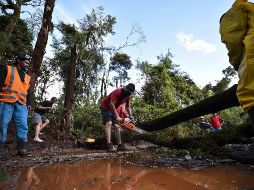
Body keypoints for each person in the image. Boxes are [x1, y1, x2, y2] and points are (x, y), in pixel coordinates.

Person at [220, 0, 254, 162]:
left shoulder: (233, 12)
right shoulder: (250, 9)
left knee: (248, 92)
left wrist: (236, 61)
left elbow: (232, 39)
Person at [0, 56, 31, 156]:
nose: (27, 64)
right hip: (6, 101)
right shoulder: (7, 69)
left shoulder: (27, 76)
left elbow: (28, 91)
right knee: (2, 124)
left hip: (21, 104)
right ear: (18, 61)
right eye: (25, 62)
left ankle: (21, 149)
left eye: (28, 62)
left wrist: (29, 103)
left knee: (23, 125)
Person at [100, 83, 135, 151]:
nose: (128, 94)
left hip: (112, 109)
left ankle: (119, 145)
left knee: (117, 126)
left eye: (130, 93)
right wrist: (117, 117)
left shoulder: (128, 96)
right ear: (125, 89)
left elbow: (128, 106)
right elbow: (111, 104)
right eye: (128, 92)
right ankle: (109, 145)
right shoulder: (118, 92)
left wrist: (130, 115)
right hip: (105, 107)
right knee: (109, 123)